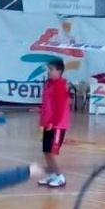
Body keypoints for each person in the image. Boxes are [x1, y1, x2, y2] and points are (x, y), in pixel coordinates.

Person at [38, 59, 70, 188]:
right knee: (46, 151)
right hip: (48, 123)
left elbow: (60, 108)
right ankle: (52, 174)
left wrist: (53, 121)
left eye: (51, 69)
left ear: (59, 71)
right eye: (48, 69)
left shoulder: (60, 86)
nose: (49, 72)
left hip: (57, 125)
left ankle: (60, 177)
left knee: (52, 152)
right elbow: (47, 104)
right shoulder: (48, 84)